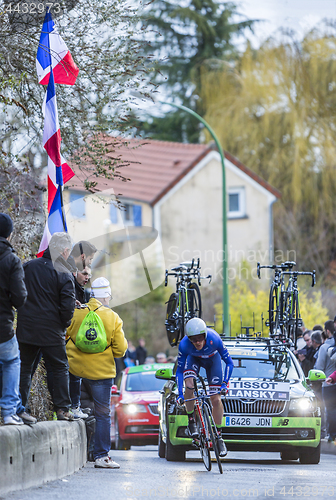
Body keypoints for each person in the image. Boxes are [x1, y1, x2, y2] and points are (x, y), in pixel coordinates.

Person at [66, 277, 127, 469]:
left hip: (76, 371)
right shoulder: (113, 317)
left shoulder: (76, 313)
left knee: (74, 410)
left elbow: (65, 336)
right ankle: (101, 456)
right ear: (106, 296)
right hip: (101, 374)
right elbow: (120, 350)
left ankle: (73, 452)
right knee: (102, 414)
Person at [17, 232, 76, 421]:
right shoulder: (64, 273)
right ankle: (62, 409)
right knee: (59, 367)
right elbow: (68, 307)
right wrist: (63, 324)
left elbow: (16, 294)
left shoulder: (27, 267)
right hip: (52, 331)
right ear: (65, 251)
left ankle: (18, 409)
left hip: (26, 329)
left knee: (24, 369)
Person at [176, 317, 234, 457]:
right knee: (189, 385)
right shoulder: (184, 345)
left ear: (205, 335)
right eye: (193, 339)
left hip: (213, 362)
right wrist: (180, 394)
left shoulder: (215, 338)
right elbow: (179, 371)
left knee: (215, 399)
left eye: (200, 338)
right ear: (188, 338)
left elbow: (229, 363)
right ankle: (191, 420)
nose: (197, 342)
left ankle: (219, 436)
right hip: (193, 360)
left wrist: (225, 383)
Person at [0, 213, 34, 425]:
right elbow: (20, 297)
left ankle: (16, 409)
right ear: (10, 235)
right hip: (2, 326)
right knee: (12, 362)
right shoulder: (11, 260)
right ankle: (9, 410)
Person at [314, 320, 336, 441]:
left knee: (330, 410)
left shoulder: (325, 347)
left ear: (327, 331)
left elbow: (319, 368)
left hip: (328, 382)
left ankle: (332, 435)